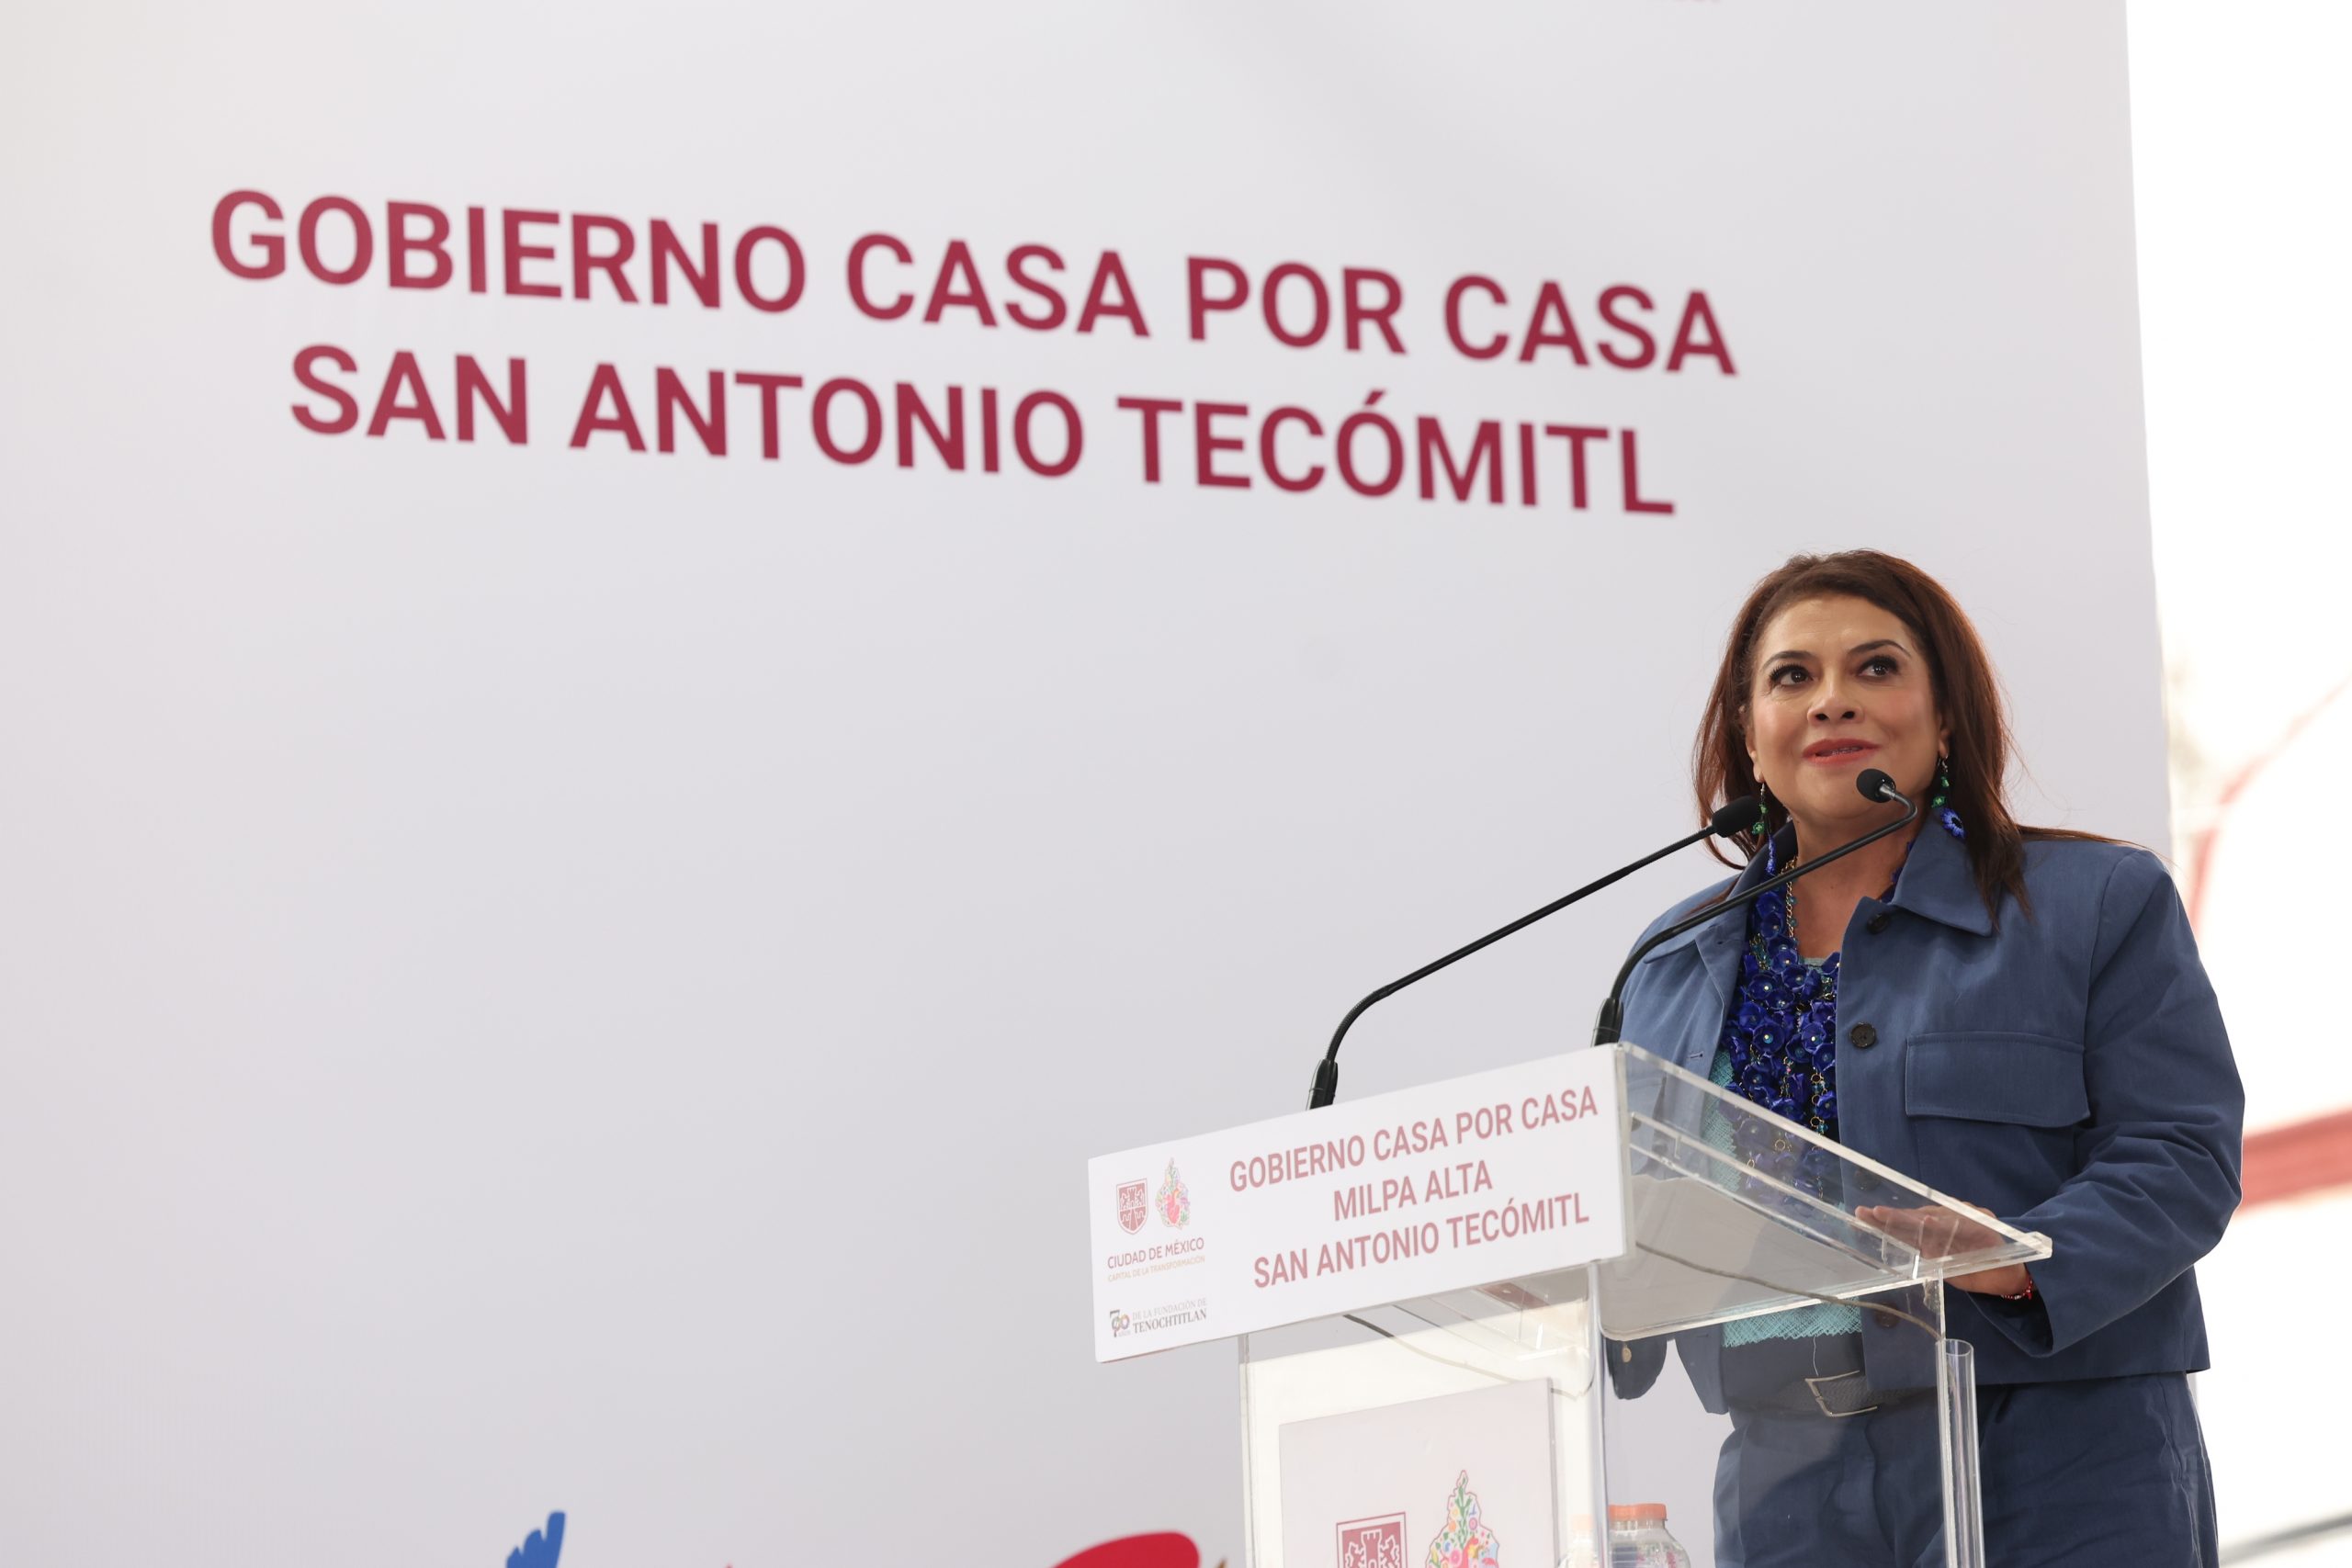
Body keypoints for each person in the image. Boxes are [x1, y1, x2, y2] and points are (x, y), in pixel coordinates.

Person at [1608, 551, 2242, 1568]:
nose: (1829, 702)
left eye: (1874, 668)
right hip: (1786, 1471)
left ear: (1943, 718)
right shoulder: (1669, 962)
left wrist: (2009, 1258)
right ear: (1747, 731)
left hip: (2056, 1451)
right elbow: (1640, 1204)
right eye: (1790, 677)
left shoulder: (2092, 904)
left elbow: (2180, 1159)